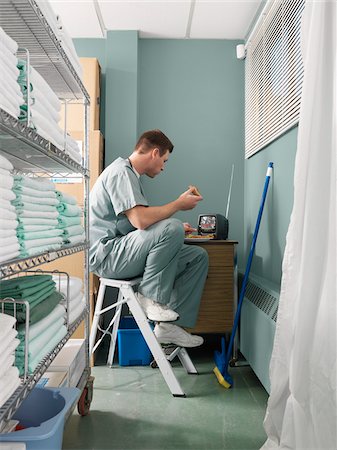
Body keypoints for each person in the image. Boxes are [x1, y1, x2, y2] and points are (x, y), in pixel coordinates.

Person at [89, 129, 209, 347]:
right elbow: (141, 221)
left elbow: (135, 224)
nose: (163, 166)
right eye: (164, 160)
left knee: (197, 256)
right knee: (171, 227)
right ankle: (150, 297)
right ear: (154, 153)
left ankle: (169, 329)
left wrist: (173, 230)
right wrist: (178, 206)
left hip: (122, 251)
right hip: (108, 257)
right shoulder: (121, 173)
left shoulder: (130, 175)